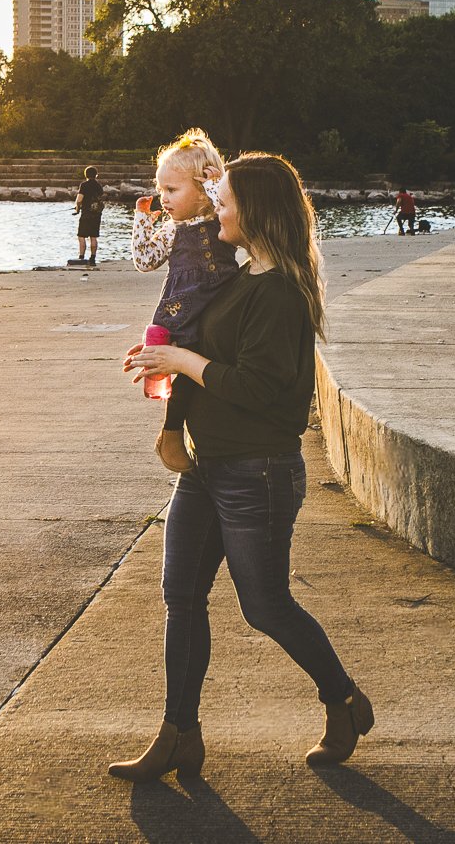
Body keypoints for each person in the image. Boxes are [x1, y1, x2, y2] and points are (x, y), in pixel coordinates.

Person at [112, 152, 372, 783]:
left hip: (258, 471)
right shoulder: (235, 277)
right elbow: (206, 357)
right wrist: (170, 402)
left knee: (265, 605)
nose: (214, 204)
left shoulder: (278, 292)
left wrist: (180, 360)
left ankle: (343, 700)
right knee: (181, 595)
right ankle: (180, 735)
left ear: (254, 210)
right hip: (207, 467)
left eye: (223, 198)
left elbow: (257, 388)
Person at [132, 128, 241, 474]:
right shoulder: (172, 227)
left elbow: (227, 203)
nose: (163, 198)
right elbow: (145, 261)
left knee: (210, 366)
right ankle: (171, 432)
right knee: (182, 368)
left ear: (203, 190)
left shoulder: (217, 216)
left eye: (172, 189)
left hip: (222, 298)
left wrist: (217, 183)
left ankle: (199, 432)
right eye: (161, 189)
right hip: (184, 305)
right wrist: (143, 221)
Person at [73, 166, 104, 263]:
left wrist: (77, 209)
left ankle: (81, 257)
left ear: (86, 175)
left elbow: (79, 200)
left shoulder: (84, 185)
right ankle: (93, 258)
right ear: (96, 175)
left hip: (86, 214)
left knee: (81, 236)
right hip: (96, 214)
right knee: (93, 237)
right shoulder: (99, 186)